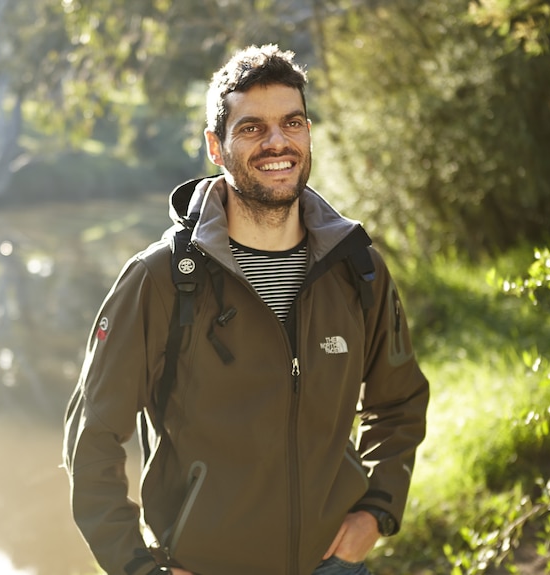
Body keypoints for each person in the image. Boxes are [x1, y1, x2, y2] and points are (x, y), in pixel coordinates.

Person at [62, 44, 429, 575]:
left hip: (333, 567)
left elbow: (399, 402)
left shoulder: (358, 267)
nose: (278, 142)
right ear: (217, 145)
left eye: (293, 122)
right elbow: (92, 437)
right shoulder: (161, 279)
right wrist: (136, 567)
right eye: (252, 128)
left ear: (307, 133)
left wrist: (378, 509)